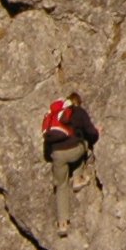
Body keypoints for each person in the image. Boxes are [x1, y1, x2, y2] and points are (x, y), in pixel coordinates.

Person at [41, 91, 98, 234]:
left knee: (61, 186)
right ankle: (78, 178)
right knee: (84, 144)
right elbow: (91, 133)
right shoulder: (77, 111)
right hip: (73, 151)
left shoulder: (54, 115)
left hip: (56, 155)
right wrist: (96, 133)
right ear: (77, 102)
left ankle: (62, 224)